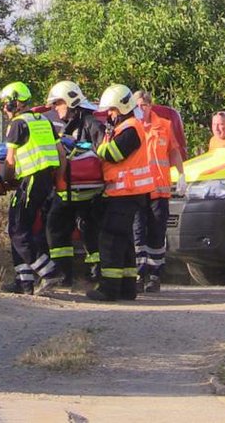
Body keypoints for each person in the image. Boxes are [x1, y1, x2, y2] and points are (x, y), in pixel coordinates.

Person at [0, 81, 67, 295]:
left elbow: (10, 162)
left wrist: (4, 181)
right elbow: (61, 154)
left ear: (16, 103)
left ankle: (49, 272)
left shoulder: (17, 124)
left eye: (5, 104)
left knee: (17, 230)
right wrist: (60, 180)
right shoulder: (44, 121)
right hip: (45, 182)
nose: (4, 109)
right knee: (22, 229)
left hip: (31, 180)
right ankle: (24, 281)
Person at [88, 84, 155, 302]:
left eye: (112, 110)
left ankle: (108, 289)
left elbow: (112, 154)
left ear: (123, 107)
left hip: (126, 193)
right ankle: (127, 288)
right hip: (127, 193)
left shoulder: (130, 129)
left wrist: (95, 145)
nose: (109, 114)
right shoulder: (126, 127)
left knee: (110, 238)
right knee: (124, 240)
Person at [44, 80, 105, 287]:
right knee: (57, 227)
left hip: (87, 193)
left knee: (87, 229)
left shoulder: (91, 123)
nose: (54, 108)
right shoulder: (68, 125)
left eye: (57, 103)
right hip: (68, 191)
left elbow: (102, 154)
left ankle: (95, 272)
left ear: (70, 102)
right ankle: (64, 275)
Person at [132, 90, 186, 293]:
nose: (140, 109)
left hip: (159, 190)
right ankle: (139, 273)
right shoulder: (132, 127)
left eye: (143, 105)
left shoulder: (164, 125)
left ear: (150, 105)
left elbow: (174, 151)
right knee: (137, 232)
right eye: (137, 106)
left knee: (157, 232)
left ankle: (154, 275)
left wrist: (181, 175)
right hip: (137, 189)